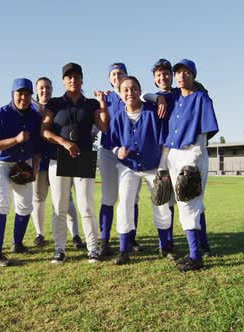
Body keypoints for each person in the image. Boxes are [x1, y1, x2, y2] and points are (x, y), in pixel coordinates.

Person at [41, 63, 109, 264]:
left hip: (84, 157)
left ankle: (92, 249)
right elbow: (44, 131)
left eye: (77, 77)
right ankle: (59, 250)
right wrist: (64, 142)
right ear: (63, 81)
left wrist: (102, 103)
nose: (73, 80)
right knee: (59, 207)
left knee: (86, 207)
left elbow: (103, 126)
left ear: (82, 80)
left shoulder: (91, 104)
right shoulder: (53, 104)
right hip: (59, 158)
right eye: (68, 77)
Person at [150, 58, 213, 259]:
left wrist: (193, 161)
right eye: (179, 72)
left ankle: (196, 255)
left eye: (186, 72)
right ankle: (188, 248)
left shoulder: (201, 98)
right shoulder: (173, 98)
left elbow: (204, 133)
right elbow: (147, 96)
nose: (181, 76)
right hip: (171, 154)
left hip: (192, 152)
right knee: (167, 197)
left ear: (193, 76)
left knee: (188, 203)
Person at [0, 78, 42, 266]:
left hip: (22, 162)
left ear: (31, 96)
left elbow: (38, 148)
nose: (23, 97)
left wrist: (35, 170)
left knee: (25, 205)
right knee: (1, 202)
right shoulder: (1, 114)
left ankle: (18, 244)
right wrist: (15, 140)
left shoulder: (35, 116)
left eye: (27, 94)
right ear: (12, 94)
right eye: (19, 93)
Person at [109, 76, 172, 265]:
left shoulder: (152, 113)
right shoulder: (119, 116)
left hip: (153, 167)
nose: (130, 93)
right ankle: (123, 249)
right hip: (129, 167)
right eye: (126, 90)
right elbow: (111, 142)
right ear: (120, 94)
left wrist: (162, 168)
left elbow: (164, 142)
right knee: (125, 204)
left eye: (134, 89)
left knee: (161, 204)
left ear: (140, 91)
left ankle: (166, 246)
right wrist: (117, 150)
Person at [32, 77, 86, 249]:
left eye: (48, 87)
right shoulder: (31, 109)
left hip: (58, 156)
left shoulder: (58, 106)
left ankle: (75, 235)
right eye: (41, 88)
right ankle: (39, 234)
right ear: (36, 90)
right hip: (39, 159)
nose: (44, 90)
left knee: (66, 199)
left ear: (53, 88)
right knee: (39, 198)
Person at [98, 63, 143, 256]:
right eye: (113, 74)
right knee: (109, 196)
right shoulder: (104, 98)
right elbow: (97, 125)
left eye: (120, 73)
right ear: (109, 78)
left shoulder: (133, 94)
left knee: (131, 197)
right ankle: (104, 240)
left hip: (130, 152)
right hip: (109, 151)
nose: (117, 76)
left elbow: (147, 99)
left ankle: (131, 238)